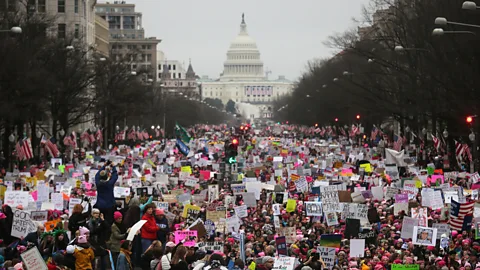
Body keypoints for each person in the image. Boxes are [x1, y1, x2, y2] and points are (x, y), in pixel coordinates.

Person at [95, 160, 118, 225]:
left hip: (100, 205)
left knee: (101, 222)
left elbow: (96, 175)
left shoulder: (98, 183)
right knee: (109, 222)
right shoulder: (110, 184)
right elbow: (115, 176)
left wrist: (104, 166)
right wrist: (113, 167)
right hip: (109, 206)